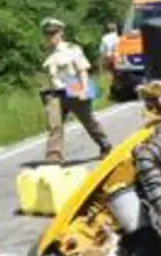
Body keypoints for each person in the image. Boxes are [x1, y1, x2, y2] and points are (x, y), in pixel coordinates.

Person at [39, 17, 113, 163]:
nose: (51, 37)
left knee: (88, 121)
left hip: (73, 87)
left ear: (61, 33)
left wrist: (84, 89)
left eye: (54, 33)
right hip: (55, 93)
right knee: (54, 125)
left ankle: (105, 145)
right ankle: (53, 158)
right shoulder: (47, 54)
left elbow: (82, 71)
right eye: (48, 34)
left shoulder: (72, 49)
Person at [98, 21, 120, 88]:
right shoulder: (118, 38)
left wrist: (102, 60)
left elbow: (102, 50)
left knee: (109, 72)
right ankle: (116, 86)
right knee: (117, 73)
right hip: (117, 56)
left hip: (108, 56)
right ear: (116, 29)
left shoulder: (104, 38)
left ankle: (111, 86)